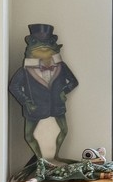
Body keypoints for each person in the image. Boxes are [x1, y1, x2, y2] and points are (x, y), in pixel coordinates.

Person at [8, 23, 80, 163]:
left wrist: (63, 92)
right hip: (35, 108)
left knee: (63, 130)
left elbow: (73, 82)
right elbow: (13, 86)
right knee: (29, 135)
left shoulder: (61, 66)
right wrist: (26, 101)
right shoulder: (25, 69)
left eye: (48, 42)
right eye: (37, 42)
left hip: (57, 107)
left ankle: (55, 156)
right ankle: (41, 160)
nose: (44, 46)